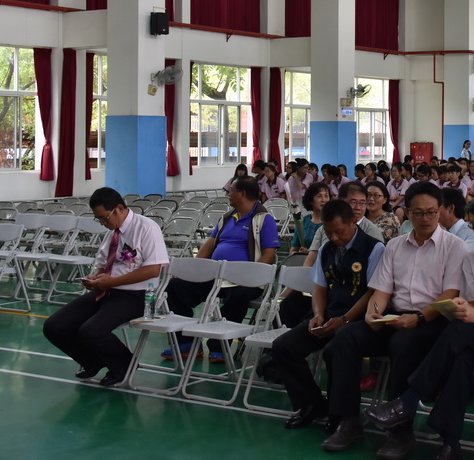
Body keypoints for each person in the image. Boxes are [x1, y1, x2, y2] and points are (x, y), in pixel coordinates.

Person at [364, 193, 474, 460]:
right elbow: (471, 301)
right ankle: (450, 443)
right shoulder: (473, 258)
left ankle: (408, 400)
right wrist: (461, 306)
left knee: (458, 331)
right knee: (461, 358)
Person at [322, 182, 468, 458]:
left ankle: (400, 432)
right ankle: (348, 420)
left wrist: (419, 317)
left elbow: (451, 293)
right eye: (418, 213)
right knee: (346, 337)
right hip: (395, 316)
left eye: (431, 212)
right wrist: (372, 313)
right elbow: (382, 289)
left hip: (433, 319)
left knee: (403, 343)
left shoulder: (454, 247)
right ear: (407, 212)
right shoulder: (396, 246)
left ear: (440, 211)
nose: (425, 219)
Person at [270, 200, 384, 430]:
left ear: (353, 222)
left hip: (359, 320)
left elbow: (373, 292)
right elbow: (320, 288)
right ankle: (312, 404)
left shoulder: (374, 249)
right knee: (283, 347)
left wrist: (344, 320)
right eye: (329, 232)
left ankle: (338, 414)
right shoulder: (326, 249)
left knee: (334, 351)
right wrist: (318, 315)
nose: (334, 237)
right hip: (330, 315)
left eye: (339, 232)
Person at [42, 187, 169, 387]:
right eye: (98, 219)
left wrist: (111, 282)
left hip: (137, 295)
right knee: (54, 327)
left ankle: (125, 365)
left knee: (91, 331)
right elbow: (103, 266)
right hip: (107, 290)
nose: (102, 223)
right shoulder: (113, 233)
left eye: (104, 217)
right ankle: (92, 361)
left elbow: (153, 269)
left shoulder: (146, 228)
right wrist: (95, 277)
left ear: (119, 209)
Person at [163, 176, 279, 363]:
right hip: (216, 277)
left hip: (245, 280)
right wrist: (191, 271)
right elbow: (208, 247)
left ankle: (218, 346)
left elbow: (269, 254)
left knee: (239, 297)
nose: (228, 194)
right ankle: (186, 343)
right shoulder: (226, 218)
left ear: (241, 193)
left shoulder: (264, 220)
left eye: (231, 191)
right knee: (175, 287)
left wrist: (251, 276)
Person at [289, 181, 331, 254]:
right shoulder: (303, 221)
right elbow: (293, 250)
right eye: (319, 196)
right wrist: (299, 253)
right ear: (311, 200)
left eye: (326, 196)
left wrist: (309, 253)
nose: (324, 200)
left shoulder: (333, 221)